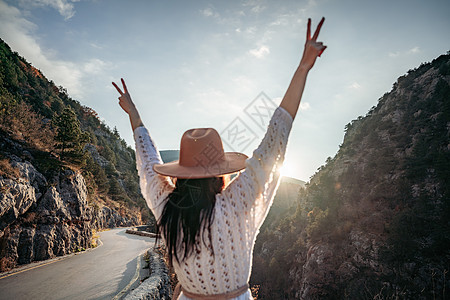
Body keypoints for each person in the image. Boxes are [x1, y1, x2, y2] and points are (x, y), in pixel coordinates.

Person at [113, 17, 326, 300]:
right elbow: (276, 138)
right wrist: (303, 68)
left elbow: (147, 159)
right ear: (220, 174)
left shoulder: (169, 210)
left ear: (180, 175)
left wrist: (134, 114)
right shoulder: (237, 203)